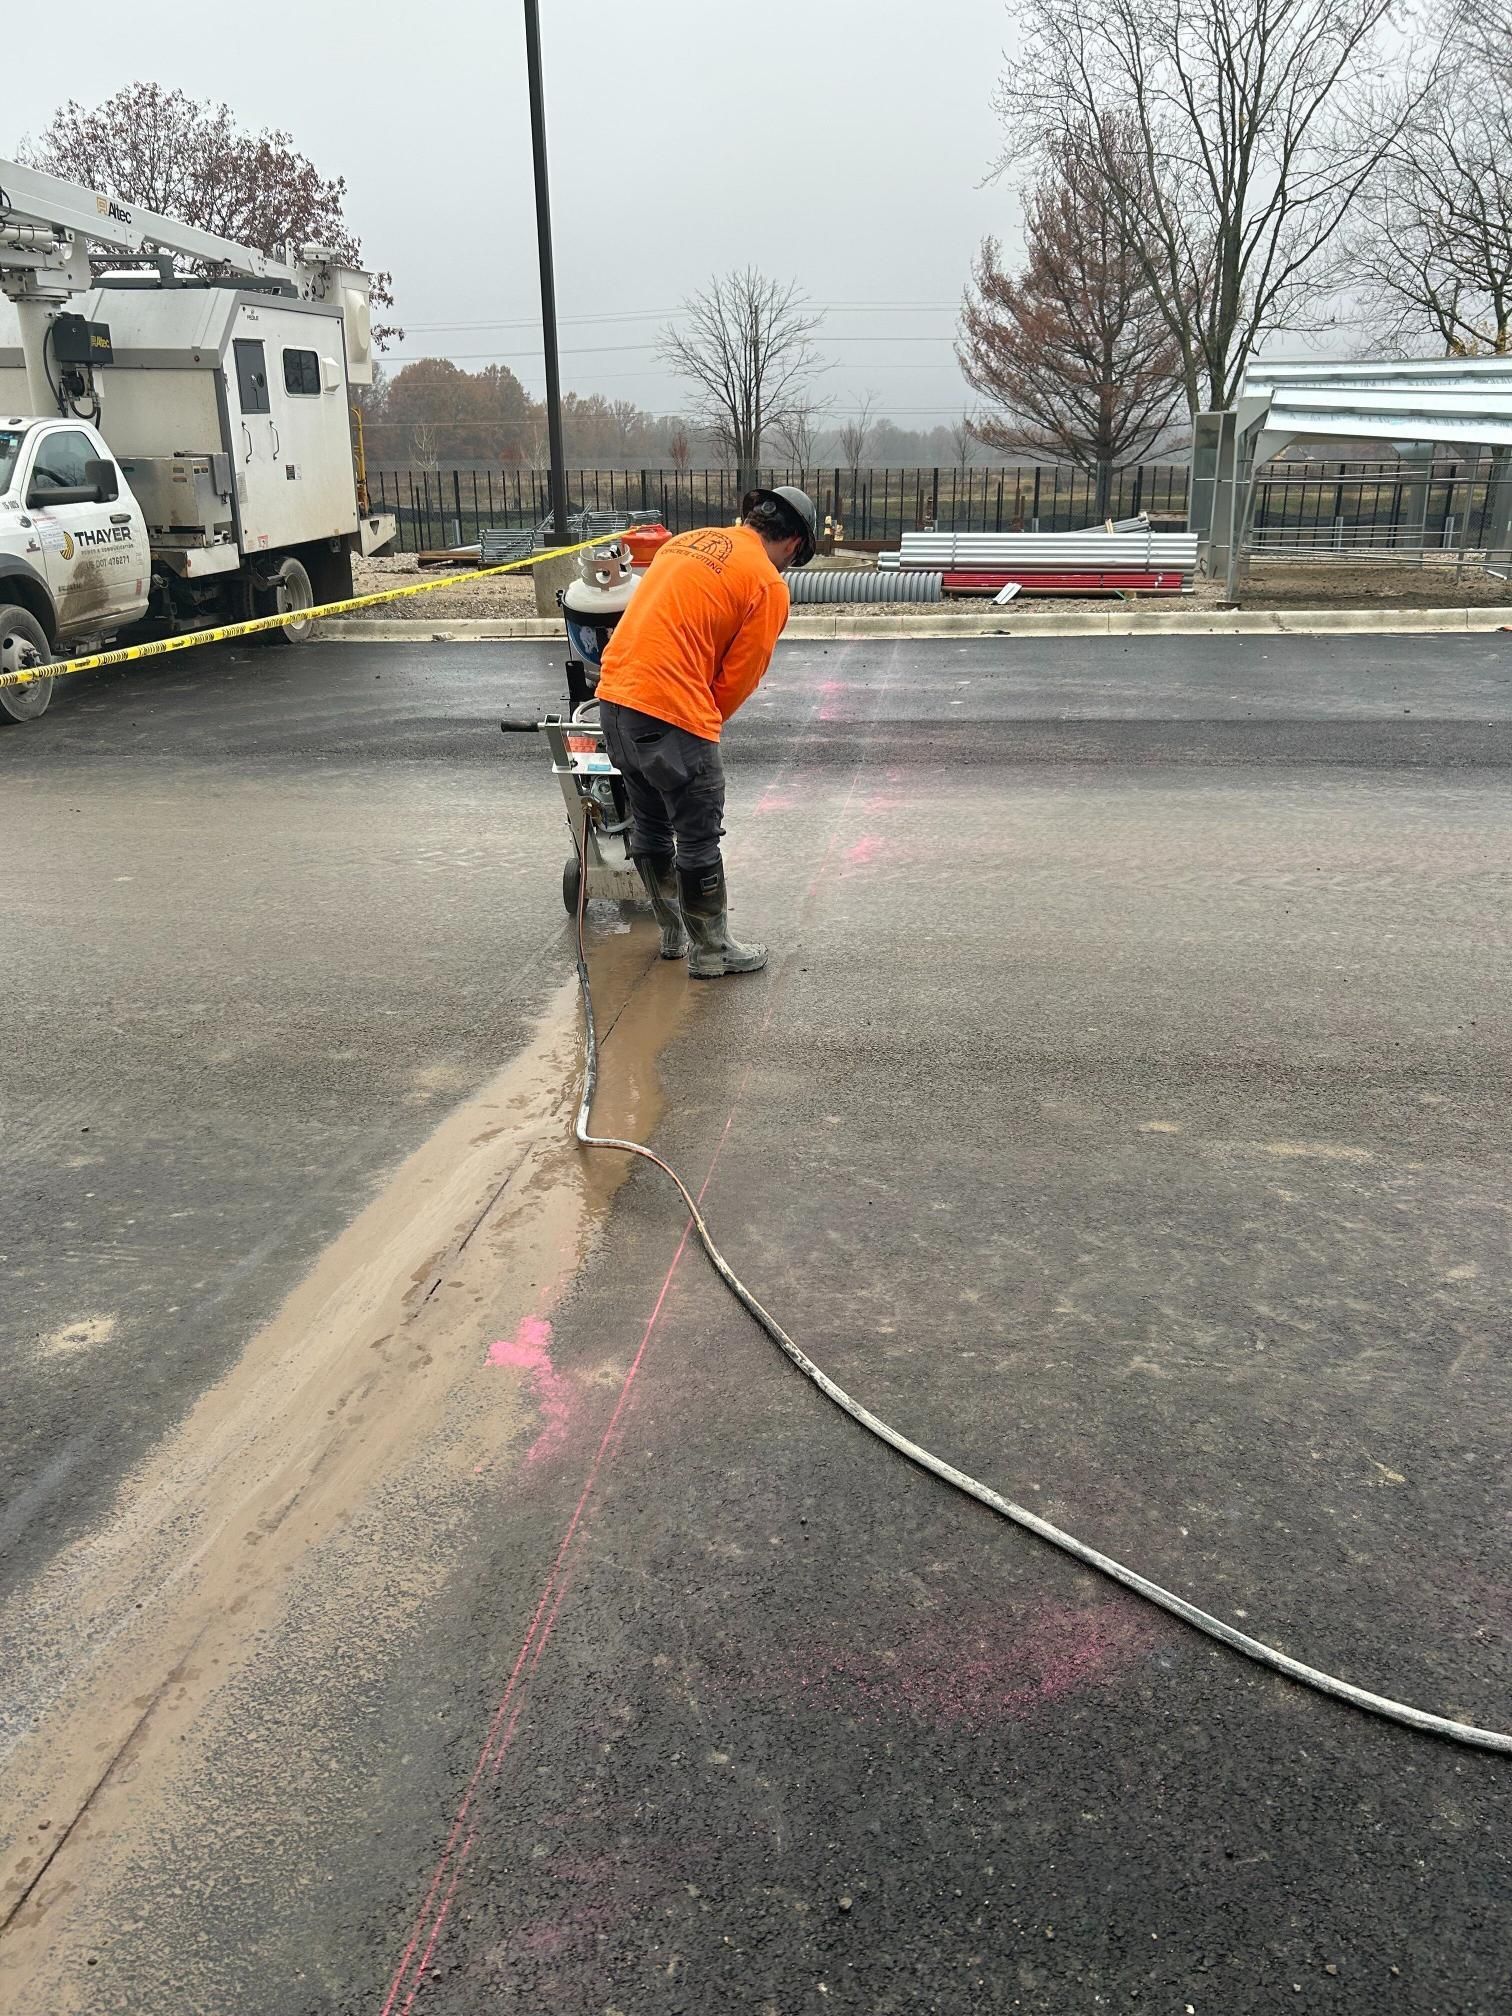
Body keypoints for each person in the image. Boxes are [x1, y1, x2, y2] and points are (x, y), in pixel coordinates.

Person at [595, 485, 818, 978]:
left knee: (649, 824)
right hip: (669, 707)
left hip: (613, 700)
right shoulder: (766, 583)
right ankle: (712, 951)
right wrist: (696, 731)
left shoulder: (684, 542)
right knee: (697, 834)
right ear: (795, 544)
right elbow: (738, 679)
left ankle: (673, 934)